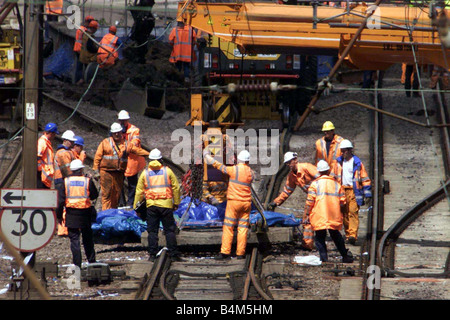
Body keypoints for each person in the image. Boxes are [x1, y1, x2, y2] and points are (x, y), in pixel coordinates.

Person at [204, 149, 255, 259]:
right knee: (242, 228)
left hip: (234, 203)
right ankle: (240, 254)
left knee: (228, 227)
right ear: (248, 161)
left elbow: (219, 166)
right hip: (246, 204)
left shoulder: (233, 170)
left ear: (239, 160)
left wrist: (207, 157)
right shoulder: (251, 172)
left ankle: (225, 252)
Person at [133, 149, 181, 262]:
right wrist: (176, 202)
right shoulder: (167, 171)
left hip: (151, 206)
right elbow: (176, 187)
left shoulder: (145, 173)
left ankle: (152, 255)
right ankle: (173, 254)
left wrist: (136, 207)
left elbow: (139, 191)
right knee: (169, 230)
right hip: (166, 205)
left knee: (152, 231)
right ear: (160, 159)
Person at [304, 160, 353, 263]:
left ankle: (324, 259)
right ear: (328, 170)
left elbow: (310, 201)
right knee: (336, 236)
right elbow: (343, 201)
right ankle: (344, 255)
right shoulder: (336, 184)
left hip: (319, 215)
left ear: (319, 172)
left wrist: (307, 214)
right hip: (333, 215)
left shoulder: (314, 184)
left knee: (320, 237)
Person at [268, 151, 319, 249]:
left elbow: (322, 178)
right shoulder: (292, 176)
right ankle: (308, 245)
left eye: (289, 162)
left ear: (295, 160)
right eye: (287, 163)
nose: (288, 165)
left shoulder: (307, 167)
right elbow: (287, 191)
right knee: (306, 220)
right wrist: (276, 202)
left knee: (324, 220)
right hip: (312, 198)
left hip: (321, 196)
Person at [93, 122, 149, 210]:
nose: (116, 134)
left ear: (121, 132)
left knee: (116, 194)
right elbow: (97, 157)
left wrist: (149, 154)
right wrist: (96, 171)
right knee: (107, 194)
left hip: (119, 172)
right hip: (106, 172)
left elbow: (137, 150)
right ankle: (106, 214)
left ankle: (113, 212)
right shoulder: (105, 143)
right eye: (115, 132)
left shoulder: (126, 144)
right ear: (111, 133)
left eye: (118, 132)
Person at [56, 160, 99, 268]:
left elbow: (60, 201)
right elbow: (94, 195)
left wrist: (59, 216)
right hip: (85, 213)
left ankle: (77, 264)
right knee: (87, 238)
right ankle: (91, 260)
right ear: (80, 169)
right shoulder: (87, 180)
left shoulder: (65, 182)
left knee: (74, 240)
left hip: (71, 213)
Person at [332, 139, 372, 244]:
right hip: (342, 190)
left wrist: (367, 192)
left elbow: (364, 178)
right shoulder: (338, 163)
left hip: (354, 191)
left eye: (344, 151)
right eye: (342, 151)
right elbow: (333, 177)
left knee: (353, 212)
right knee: (344, 214)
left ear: (349, 150)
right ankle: (348, 234)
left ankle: (353, 235)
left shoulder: (357, 163)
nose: (342, 153)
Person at [117, 110, 146, 207]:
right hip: (121, 160)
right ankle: (121, 203)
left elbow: (135, 141)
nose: (122, 123)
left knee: (132, 184)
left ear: (127, 120)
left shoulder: (134, 130)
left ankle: (131, 204)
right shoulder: (116, 129)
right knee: (119, 182)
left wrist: (127, 147)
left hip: (132, 161)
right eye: (121, 120)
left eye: (124, 120)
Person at [54, 130, 77, 237]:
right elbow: (67, 170)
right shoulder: (63, 153)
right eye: (71, 142)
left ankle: (63, 227)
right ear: (66, 141)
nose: (73, 144)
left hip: (62, 180)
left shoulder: (66, 152)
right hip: (61, 180)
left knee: (62, 203)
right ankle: (61, 227)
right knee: (61, 203)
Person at [37, 122, 59, 189]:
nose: (55, 136)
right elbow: (37, 157)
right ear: (51, 133)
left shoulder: (46, 143)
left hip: (45, 175)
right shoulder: (42, 142)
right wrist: (41, 170)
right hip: (42, 175)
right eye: (54, 134)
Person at [74, 16, 94, 84]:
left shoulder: (80, 28)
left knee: (78, 66)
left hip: (76, 48)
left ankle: (78, 80)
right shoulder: (84, 30)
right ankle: (81, 80)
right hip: (80, 49)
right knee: (83, 65)